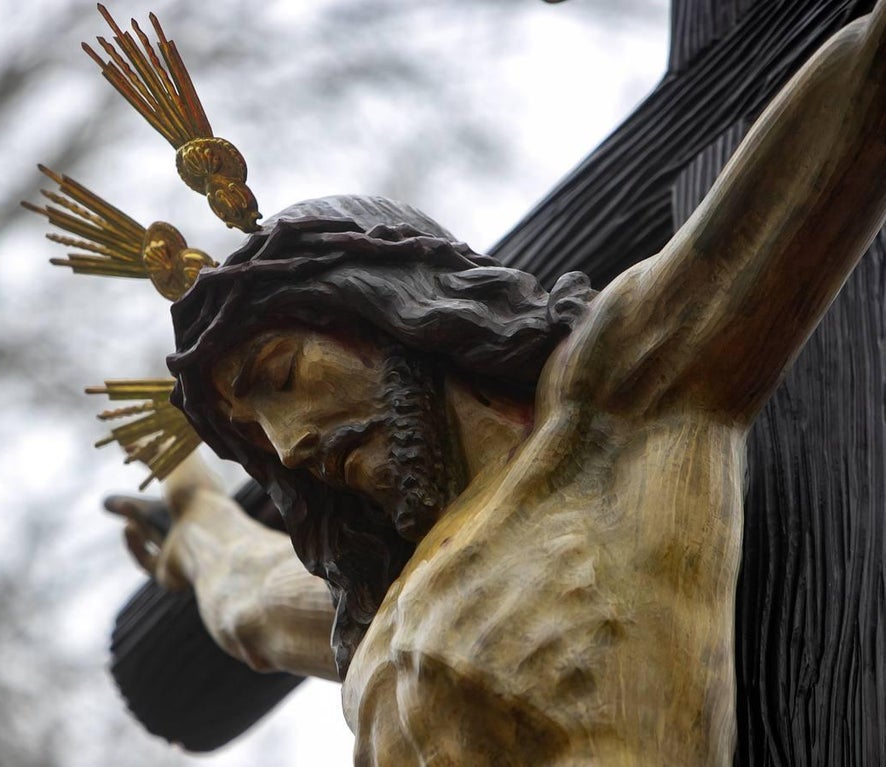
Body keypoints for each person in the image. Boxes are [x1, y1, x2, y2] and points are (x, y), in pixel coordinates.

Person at [116, 5, 886, 764]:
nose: (290, 442)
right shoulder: (378, 607)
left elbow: (837, 122)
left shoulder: (615, 413)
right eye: (254, 433)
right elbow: (251, 603)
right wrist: (196, 517)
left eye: (281, 376)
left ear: (383, 307)